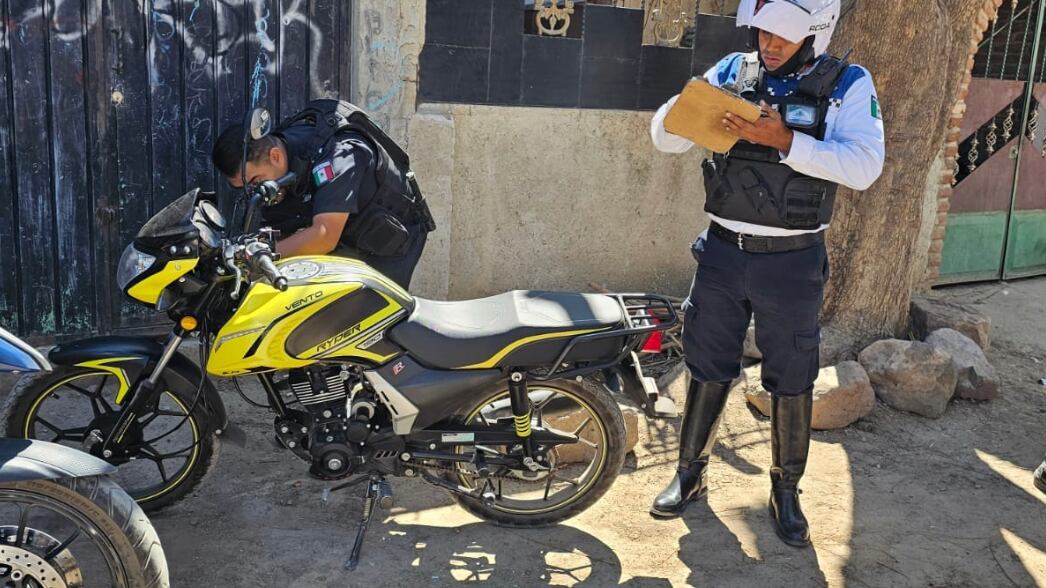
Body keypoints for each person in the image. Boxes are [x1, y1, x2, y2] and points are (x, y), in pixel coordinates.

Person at [648, 0, 885, 548]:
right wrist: (688, 111)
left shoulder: (848, 83)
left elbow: (865, 167)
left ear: (815, 31)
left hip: (792, 260)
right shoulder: (733, 71)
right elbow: (664, 136)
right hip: (723, 254)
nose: (769, 45)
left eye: (782, 36)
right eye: (762, 33)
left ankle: (785, 489)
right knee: (706, 362)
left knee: (792, 372)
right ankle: (689, 472)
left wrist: (786, 141)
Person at [211, 100, 436, 289]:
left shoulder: (339, 155)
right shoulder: (283, 159)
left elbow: (324, 235)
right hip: (343, 232)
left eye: (255, 181)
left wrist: (255, 258)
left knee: (356, 324)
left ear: (276, 156)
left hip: (386, 239)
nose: (254, 191)